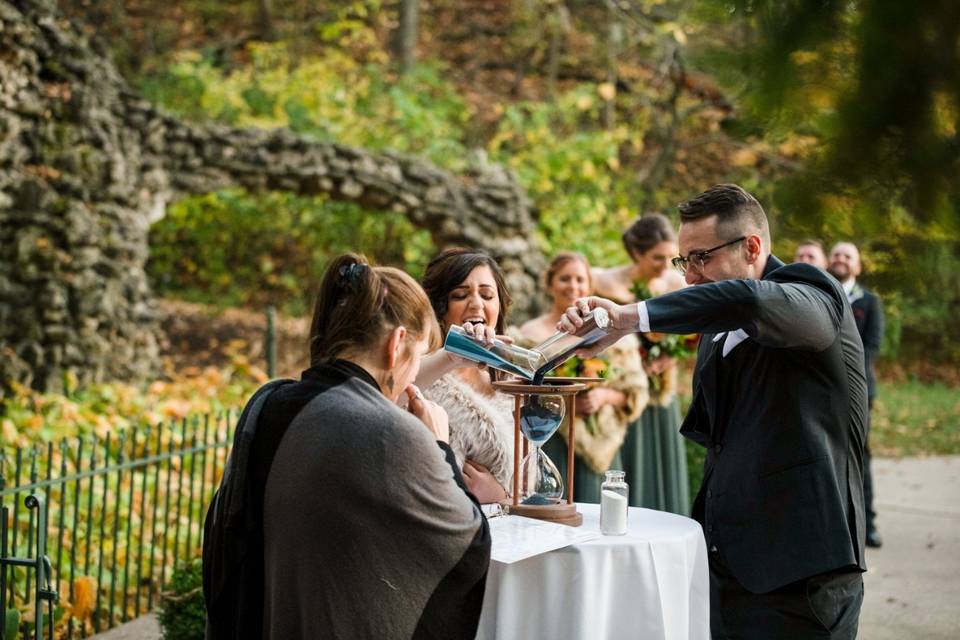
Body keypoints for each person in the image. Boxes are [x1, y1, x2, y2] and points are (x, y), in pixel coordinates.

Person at [559, 184, 868, 639]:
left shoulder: (812, 292)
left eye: (701, 258)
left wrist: (630, 318)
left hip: (801, 573)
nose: (689, 277)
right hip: (725, 569)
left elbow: (748, 300)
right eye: (685, 262)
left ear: (753, 247)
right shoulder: (717, 332)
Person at [257, 253, 490, 639]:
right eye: (416, 357)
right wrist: (438, 446)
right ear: (397, 344)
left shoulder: (273, 402)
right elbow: (466, 543)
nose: (414, 372)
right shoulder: (390, 431)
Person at [517, 252, 648, 502]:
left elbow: (636, 391)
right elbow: (521, 393)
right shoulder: (529, 335)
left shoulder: (614, 336)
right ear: (550, 283)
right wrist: (563, 403)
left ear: (590, 285)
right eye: (565, 278)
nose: (573, 286)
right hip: (551, 439)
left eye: (580, 279)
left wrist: (603, 396)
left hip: (602, 444)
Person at [593, 213, 690, 514]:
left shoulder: (676, 284)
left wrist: (668, 357)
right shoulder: (605, 282)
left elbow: (691, 335)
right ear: (637, 254)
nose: (665, 266)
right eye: (657, 258)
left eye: (670, 258)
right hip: (620, 389)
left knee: (657, 457)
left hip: (659, 391)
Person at [415, 248, 516, 504]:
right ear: (439, 308)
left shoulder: (510, 381)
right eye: (460, 295)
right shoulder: (422, 378)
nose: (476, 303)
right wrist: (452, 354)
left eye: (487, 295)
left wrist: (503, 496)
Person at [829, 241, 885, 548]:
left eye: (847, 255)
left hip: (857, 391)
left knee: (859, 455)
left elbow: (871, 346)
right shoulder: (819, 294)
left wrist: (848, 379)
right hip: (822, 390)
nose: (841, 259)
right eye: (836, 254)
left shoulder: (870, 302)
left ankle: (868, 524)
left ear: (858, 266)